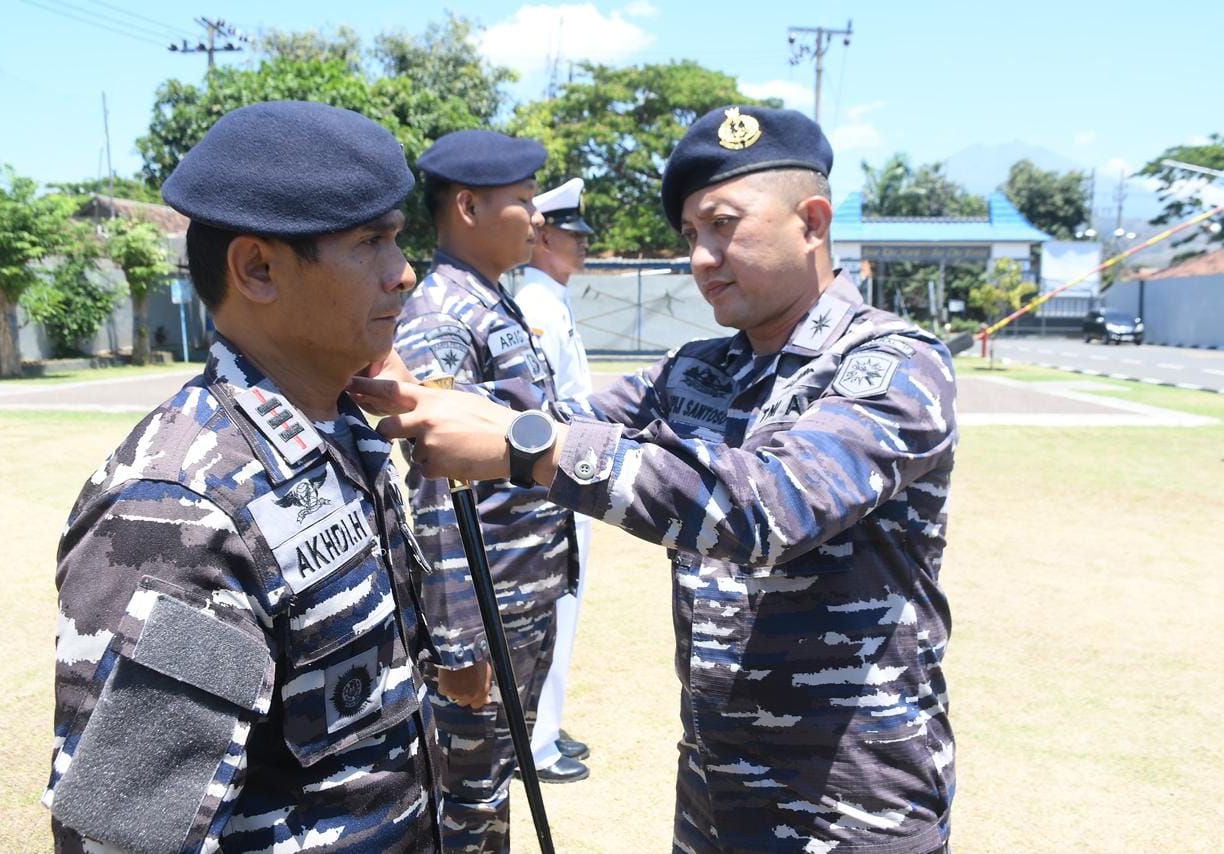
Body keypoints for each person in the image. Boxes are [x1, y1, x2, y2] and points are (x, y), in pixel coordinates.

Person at [357, 106, 959, 854]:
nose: (702, 257)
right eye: (690, 235)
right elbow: (547, 419)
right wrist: (412, 387)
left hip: (847, 806)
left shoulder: (894, 364)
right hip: (715, 789)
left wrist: (526, 446)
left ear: (812, 222)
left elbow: (770, 507)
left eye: (723, 225)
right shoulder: (698, 371)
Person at [44, 101, 444, 852]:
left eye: (397, 238)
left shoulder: (340, 432)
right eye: (371, 242)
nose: (405, 272)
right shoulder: (180, 512)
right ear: (258, 269)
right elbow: (130, 838)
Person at [394, 129, 585, 853]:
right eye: (524, 201)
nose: (537, 218)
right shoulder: (444, 316)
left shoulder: (491, 302)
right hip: (487, 608)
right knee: (469, 801)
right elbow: (439, 488)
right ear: (468, 207)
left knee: (495, 785)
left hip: (519, 596)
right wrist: (459, 642)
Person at [515, 177, 595, 779]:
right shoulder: (537, 304)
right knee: (553, 609)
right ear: (543, 239)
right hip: (554, 474)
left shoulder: (552, 298)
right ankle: (536, 742)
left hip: (570, 468)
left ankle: (545, 724)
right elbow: (542, 404)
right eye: (573, 233)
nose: (584, 242)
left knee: (565, 607)